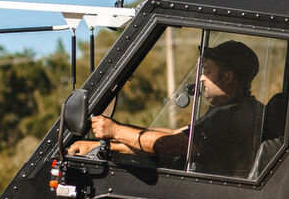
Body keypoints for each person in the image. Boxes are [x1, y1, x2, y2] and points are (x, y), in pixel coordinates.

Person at [69, 40, 264, 177]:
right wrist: (102, 143)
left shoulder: (231, 116)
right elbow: (175, 135)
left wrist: (116, 131)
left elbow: (177, 145)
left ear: (228, 78)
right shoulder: (234, 110)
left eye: (207, 70)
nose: (201, 78)